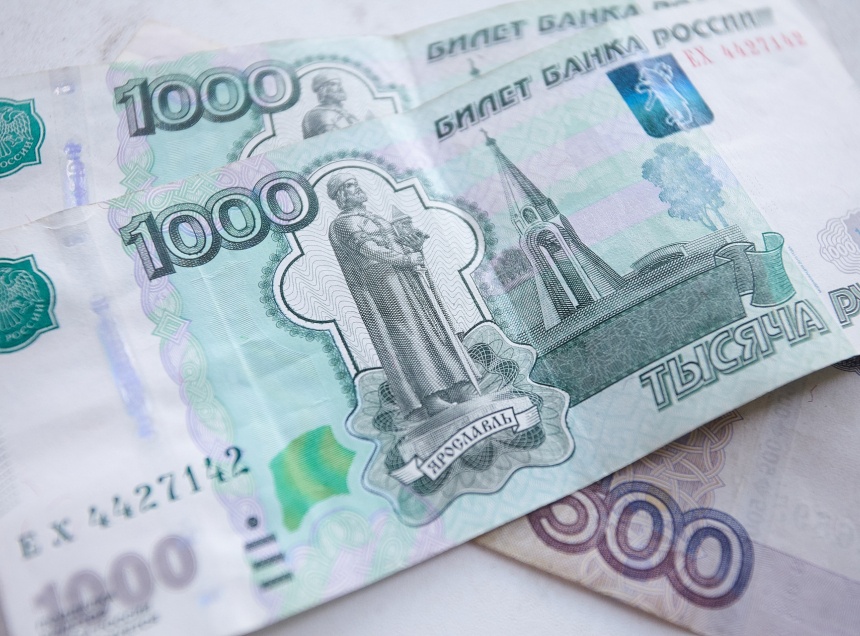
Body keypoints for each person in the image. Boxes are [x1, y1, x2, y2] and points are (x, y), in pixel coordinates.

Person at [327, 172, 480, 420]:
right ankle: (431, 397)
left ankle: (457, 384)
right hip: (384, 286)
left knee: (430, 328)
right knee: (409, 337)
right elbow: (370, 251)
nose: (357, 189)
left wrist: (413, 247)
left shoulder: (374, 217)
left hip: (406, 279)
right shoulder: (344, 224)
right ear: (341, 194)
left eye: (356, 184)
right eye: (351, 186)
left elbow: (398, 244)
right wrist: (406, 259)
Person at [301, 73, 360, 139]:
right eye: (333, 84)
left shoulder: (345, 113)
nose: (340, 88)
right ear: (323, 89)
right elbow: (337, 140)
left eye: (340, 84)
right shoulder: (318, 114)